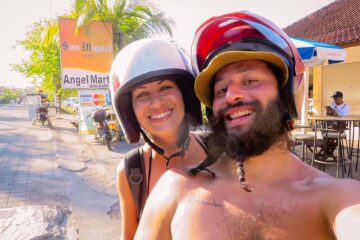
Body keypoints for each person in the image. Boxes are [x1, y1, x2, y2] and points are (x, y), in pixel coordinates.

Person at [134, 11, 360, 240]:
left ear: (286, 97)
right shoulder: (176, 189)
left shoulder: (337, 197)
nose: (231, 96)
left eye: (250, 81)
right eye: (221, 90)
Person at [109, 38, 208, 240]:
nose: (156, 103)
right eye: (142, 94)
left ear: (185, 94)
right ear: (130, 111)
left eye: (165, 88)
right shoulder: (132, 170)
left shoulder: (219, 151)